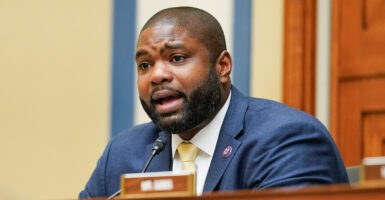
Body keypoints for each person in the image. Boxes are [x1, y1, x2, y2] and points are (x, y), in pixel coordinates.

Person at [79, 7, 349, 198]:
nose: (157, 75)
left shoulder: (285, 138)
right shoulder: (123, 153)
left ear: (222, 66)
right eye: (145, 65)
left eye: (177, 58)